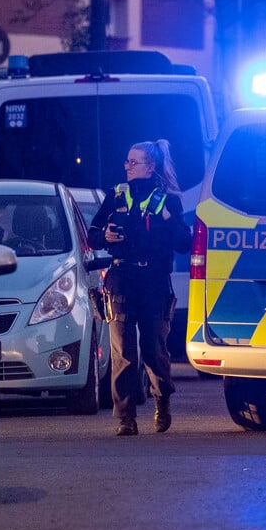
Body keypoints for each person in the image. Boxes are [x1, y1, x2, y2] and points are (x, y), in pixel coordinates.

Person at [89, 140, 191, 436]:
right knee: (123, 349)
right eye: (127, 161)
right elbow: (93, 235)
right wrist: (106, 236)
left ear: (150, 167)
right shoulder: (115, 195)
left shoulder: (167, 200)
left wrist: (168, 220)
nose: (128, 167)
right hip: (121, 277)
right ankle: (125, 417)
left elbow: (184, 243)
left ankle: (162, 399)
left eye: (134, 162)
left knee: (153, 347)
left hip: (154, 280)